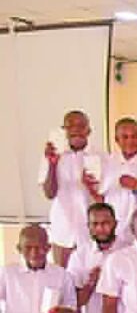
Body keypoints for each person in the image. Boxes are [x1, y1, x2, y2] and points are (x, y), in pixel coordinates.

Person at [40, 110, 103, 265]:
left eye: (81, 126)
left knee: (91, 276)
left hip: (90, 233)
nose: (76, 130)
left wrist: (91, 188)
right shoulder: (52, 154)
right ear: (64, 130)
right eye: (70, 126)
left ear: (89, 130)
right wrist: (52, 165)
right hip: (62, 230)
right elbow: (49, 194)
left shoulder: (101, 157)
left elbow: (105, 199)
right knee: (62, 277)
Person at [100, 117, 137, 244]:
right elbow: (100, 197)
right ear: (117, 140)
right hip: (111, 232)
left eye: (134, 136)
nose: (130, 141)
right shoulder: (106, 163)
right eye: (125, 137)